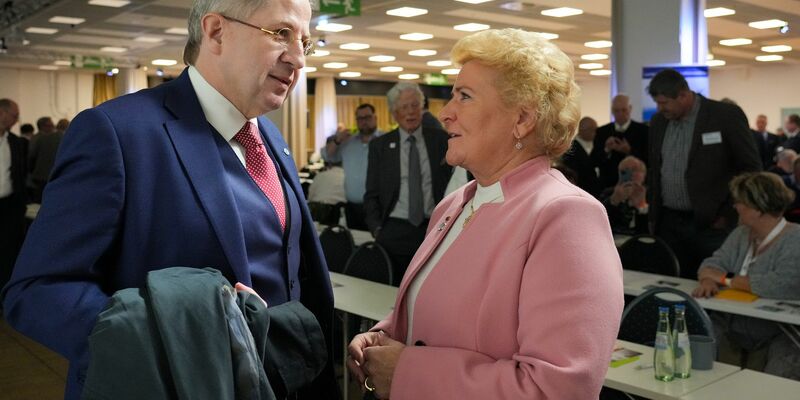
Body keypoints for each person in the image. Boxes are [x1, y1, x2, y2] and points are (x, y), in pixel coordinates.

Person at [2, 1, 337, 399]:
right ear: (215, 32)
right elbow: (38, 289)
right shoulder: (117, 133)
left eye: (305, 41)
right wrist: (180, 339)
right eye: (281, 33)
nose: (298, 58)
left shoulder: (272, 140)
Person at [348, 28, 624, 399]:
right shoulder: (455, 204)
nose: (445, 114)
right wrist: (385, 338)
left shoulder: (565, 216)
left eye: (464, 96)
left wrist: (406, 370)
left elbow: (557, 388)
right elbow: (436, 318)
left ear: (522, 120)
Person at [647, 68, 761, 279]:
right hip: (669, 223)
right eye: (658, 103)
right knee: (672, 284)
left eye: (664, 103)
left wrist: (729, 212)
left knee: (711, 284)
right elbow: (655, 170)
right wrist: (654, 215)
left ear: (683, 94)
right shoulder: (659, 122)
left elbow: (750, 168)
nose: (660, 108)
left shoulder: (724, 116)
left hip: (711, 223)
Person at [692, 172, 800, 380]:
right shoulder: (740, 234)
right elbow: (710, 265)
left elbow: (779, 284)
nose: (735, 206)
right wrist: (707, 280)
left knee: (781, 370)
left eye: (740, 202)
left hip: (779, 331)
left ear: (759, 208)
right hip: (733, 325)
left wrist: (725, 279)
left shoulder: (795, 239)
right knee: (699, 342)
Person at [363, 82, 451, 284]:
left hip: (433, 228)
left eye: (415, 106)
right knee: (392, 291)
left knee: (431, 288)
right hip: (393, 231)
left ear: (422, 108)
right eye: (404, 107)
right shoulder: (380, 146)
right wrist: (377, 229)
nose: (410, 112)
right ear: (394, 113)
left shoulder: (441, 140)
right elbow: (371, 193)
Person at [324, 104, 383, 230]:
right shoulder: (347, 143)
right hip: (352, 208)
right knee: (355, 245)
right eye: (360, 118)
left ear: (375, 118)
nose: (364, 121)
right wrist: (337, 140)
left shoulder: (385, 140)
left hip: (379, 207)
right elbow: (328, 156)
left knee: (378, 246)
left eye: (367, 117)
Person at [593, 94, 649, 189]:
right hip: (608, 185)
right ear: (612, 111)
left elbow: (648, 160)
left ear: (630, 109)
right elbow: (594, 161)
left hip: (636, 184)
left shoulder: (644, 131)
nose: (620, 114)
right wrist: (606, 149)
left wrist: (629, 151)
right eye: (616, 111)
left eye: (624, 110)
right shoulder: (602, 131)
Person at [0, 99, 27, 294]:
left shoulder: (16, 143)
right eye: (14, 115)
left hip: (9, 206)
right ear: (2, 113)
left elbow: (21, 173)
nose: (17, 120)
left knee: (7, 251)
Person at [600, 156, 648, 235]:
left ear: (644, 175)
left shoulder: (650, 195)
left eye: (635, 170)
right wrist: (614, 200)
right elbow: (600, 223)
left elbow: (648, 230)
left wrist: (642, 206)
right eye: (626, 171)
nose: (631, 175)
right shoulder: (608, 193)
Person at [561, 116, 602, 196]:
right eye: (594, 130)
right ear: (583, 130)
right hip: (581, 191)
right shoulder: (572, 149)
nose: (596, 133)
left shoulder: (597, 145)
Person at [28, 117, 65, 202]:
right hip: (42, 175)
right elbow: (31, 158)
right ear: (42, 126)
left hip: (45, 175)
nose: (52, 127)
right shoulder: (38, 138)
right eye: (50, 125)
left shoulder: (38, 138)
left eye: (52, 125)